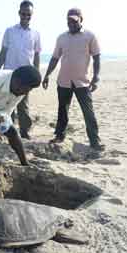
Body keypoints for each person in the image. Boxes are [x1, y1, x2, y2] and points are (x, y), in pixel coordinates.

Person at [42, 8, 104, 151]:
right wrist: (47, 75)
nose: (71, 23)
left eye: (74, 21)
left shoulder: (90, 36)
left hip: (82, 81)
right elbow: (55, 58)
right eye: (69, 20)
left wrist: (96, 77)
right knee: (62, 110)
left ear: (81, 20)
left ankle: (95, 141)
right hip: (63, 81)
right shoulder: (61, 38)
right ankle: (59, 135)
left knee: (88, 112)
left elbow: (96, 57)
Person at [0, 0, 42, 140]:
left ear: (32, 15)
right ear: (19, 13)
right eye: (23, 13)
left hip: (27, 76)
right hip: (9, 74)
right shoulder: (9, 31)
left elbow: (37, 55)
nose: (25, 16)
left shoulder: (35, 34)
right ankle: (5, 131)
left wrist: (37, 74)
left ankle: (24, 132)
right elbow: (3, 51)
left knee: (23, 106)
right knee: (6, 104)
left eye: (28, 14)